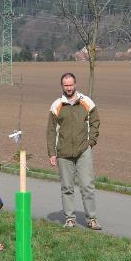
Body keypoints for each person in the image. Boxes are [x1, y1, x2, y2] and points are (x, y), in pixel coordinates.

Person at [46, 73, 102, 231]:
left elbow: (95, 122)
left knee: (87, 186)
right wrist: (52, 152)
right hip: (63, 152)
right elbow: (51, 131)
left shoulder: (86, 102)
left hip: (83, 150)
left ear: (75, 84)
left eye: (71, 85)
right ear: (62, 86)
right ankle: (70, 219)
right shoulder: (56, 105)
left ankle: (92, 219)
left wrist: (91, 142)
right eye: (66, 85)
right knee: (67, 187)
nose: (69, 88)